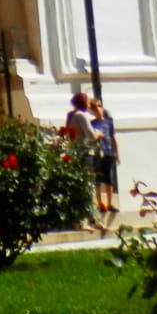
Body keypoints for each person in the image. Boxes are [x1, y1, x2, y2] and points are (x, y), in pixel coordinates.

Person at [64, 93, 103, 234]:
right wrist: (99, 134)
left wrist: (95, 107)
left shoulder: (75, 115)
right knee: (85, 188)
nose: (89, 102)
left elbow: (100, 116)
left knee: (87, 187)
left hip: (79, 153)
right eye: (87, 100)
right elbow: (92, 135)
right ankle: (82, 222)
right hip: (84, 153)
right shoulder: (81, 115)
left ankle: (94, 220)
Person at [89, 97, 121, 221]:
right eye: (94, 110)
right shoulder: (92, 124)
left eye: (98, 108)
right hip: (97, 153)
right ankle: (99, 203)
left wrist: (116, 152)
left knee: (109, 178)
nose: (97, 111)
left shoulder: (109, 122)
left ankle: (109, 203)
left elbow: (113, 137)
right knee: (98, 179)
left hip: (108, 153)